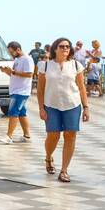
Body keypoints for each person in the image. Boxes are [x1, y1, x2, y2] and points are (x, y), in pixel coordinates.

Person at [38, 37, 88, 183]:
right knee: (53, 135)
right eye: (62, 46)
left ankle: (64, 170)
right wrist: (41, 108)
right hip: (51, 104)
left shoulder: (75, 65)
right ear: (55, 48)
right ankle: (48, 157)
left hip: (72, 104)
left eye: (67, 46)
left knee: (70, 135)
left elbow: (81, 87)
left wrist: (86, 107)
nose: (65, 48)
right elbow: (40, 89)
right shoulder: (45, 66)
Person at [0, 41, 34, 144]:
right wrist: (7, 72)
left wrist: (13, 72)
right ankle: (27, 136)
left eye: (11, 52)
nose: (11, 54)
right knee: (22, 113)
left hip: (21, 92)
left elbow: (29, 74)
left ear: (18, 49)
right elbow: (15, 75)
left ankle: (8, 136)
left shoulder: (27, 59)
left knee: (13, 112)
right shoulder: (17, 60)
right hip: (15, 90)